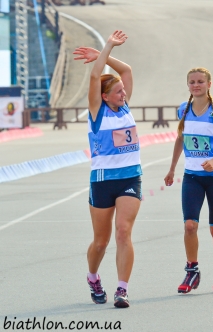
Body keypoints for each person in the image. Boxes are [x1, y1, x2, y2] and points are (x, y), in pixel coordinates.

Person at [73, 30, 142, 308]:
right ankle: (92, 276)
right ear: (104, 96)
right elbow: (93, 77)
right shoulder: (96, 112)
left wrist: (107, 56)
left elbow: (126, 70)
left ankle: (122, 290)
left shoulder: (125, 108)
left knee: (123, 232)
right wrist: (105, 47)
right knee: (100, 243)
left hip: (130, 177)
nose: (124, 92)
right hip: (102, 181)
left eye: (123, 90)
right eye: (118, 91)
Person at [164, 67, 213, 294]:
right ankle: (192, 271)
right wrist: (172, 168)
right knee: (189, 226)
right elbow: (180, 139)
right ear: (188, 85)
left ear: (209, 85)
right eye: (192, 82)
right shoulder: (183, 110)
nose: (196, 85)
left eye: (200, 82)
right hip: (192, 177)